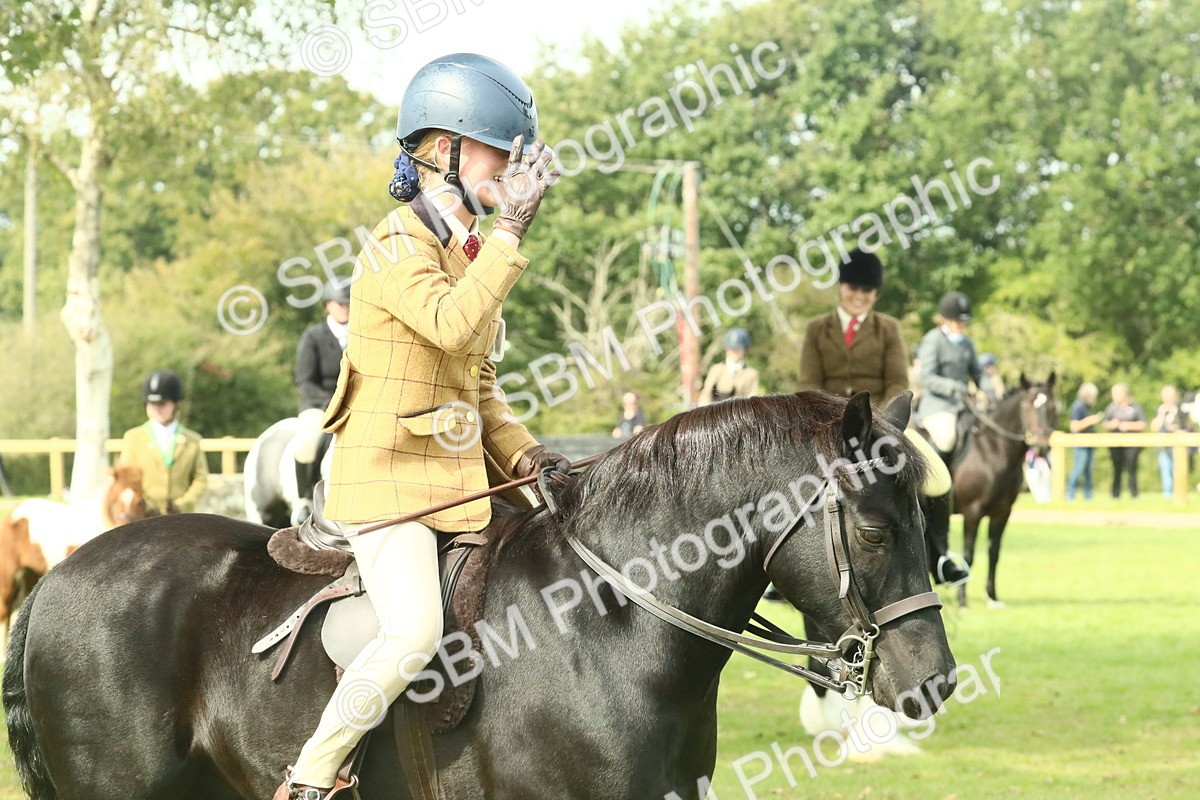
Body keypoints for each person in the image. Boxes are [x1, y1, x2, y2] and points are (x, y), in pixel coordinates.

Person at [274, 53, 570, 800]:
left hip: (458, 481)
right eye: (498, 152)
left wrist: (532, 459)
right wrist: (513, 228)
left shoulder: (468, 248)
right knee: (411, 633)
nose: (510, 169)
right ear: (444, 151)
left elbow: (479, 386)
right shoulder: (398, 242)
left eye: (514, 157)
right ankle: (311, 778)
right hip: (390, 484)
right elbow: (448, 325)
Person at [797, 248, 907, 402]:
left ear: (876, 293)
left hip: (877, 415)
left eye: (867, 290)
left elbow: (898, 382)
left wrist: (880, 420)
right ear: (840, 286)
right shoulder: (816, 328)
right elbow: (809, 382)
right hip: (827, 416)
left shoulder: (889, 328)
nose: (859, 296)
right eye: (853, 288)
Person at [293, 280, 351, 514]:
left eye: (349, 303)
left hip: (355, 403)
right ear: (328, 304)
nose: (346, 308)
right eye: (340, 303)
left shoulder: (363, 333)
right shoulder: (314, 336)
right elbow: (304, 380)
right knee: (306, 443)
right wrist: (329, 401)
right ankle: (304, 499)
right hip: (320, 404)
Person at [116, 369, 208, 515]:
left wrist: (182, 505)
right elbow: (125, 479)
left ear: (175, 404)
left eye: (162, 403)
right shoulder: (133, 438)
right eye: (152, 403)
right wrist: (144, 504)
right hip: (143, 517)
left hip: (182, 518)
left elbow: (200, 479)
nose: (157, 408)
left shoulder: (192, 440)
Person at [915, 291, 984, 462]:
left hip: (965, 405)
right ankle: (937, 482)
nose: (962, 325)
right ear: (945, 319)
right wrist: (954, 387)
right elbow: (927, 377)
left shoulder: (967, 343)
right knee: (946, 439)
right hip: (938, 406)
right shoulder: (933, 340)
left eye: (964, 322)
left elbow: (979, 373)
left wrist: (992, 394)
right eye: (958, 321)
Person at [1102, 383, 1147, 498]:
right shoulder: (1111, 408)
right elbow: (1105, 423)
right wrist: (1113, 425)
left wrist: (1128, 426)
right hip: (1115, 444)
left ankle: (1134, 494)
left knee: (1132, 470)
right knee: (1116, 470)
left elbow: (1143, 424)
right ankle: (1115, 495)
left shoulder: (1135, 407)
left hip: (1132, 443)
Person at [698, 328, 760, 405]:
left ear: (745, 350)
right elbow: (706, 394)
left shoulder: (751, 373)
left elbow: (753, 398)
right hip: (716, 410)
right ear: (726, 349)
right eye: (731, 349)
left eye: (738, 349)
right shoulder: (717, 369)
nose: (734, 352)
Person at [1066, 382, 1103, 500]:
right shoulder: (1078, 406)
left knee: (1088, 471)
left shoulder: (1086, 407)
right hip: (1080, 444)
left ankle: (1088, 497)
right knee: (1078, 469)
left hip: (1088, 443)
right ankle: (1070, 495)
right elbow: (1074, 426)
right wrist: (1090, 420)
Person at [1151, 385, 1187, 497]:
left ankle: (1180, 495)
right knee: (1166, 471)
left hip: (1179, 446)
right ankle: (1168, 495)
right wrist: (1162, 414)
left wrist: (1176, 428)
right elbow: (1154, 427)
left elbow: (1187, 426)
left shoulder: (1181, 410)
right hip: (1164, 446)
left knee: (1179, 471)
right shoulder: (1160, 410)